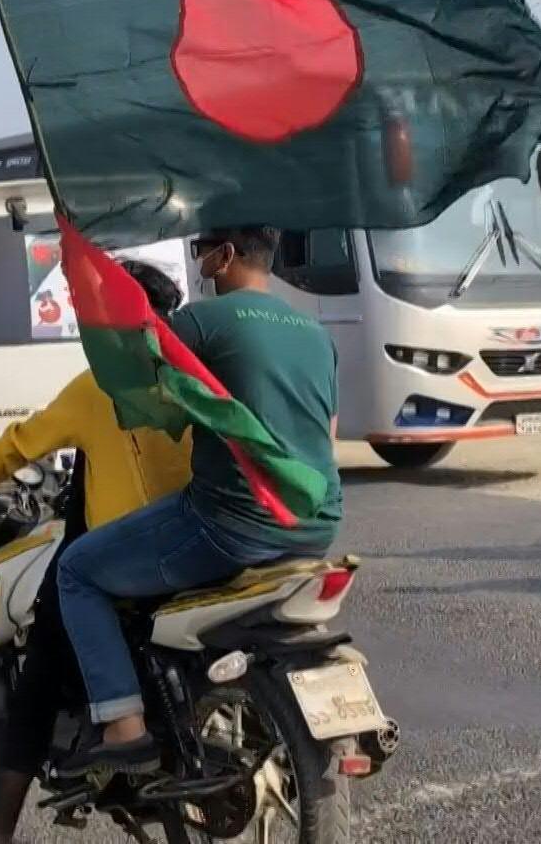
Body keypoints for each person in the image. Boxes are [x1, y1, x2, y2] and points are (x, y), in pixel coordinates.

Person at [55, 226, 342, 773]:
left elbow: (136, 381)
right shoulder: (316, 333)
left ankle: (124, 725)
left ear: (224, 255)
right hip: (316, 526)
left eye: (200, 250)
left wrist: (97, 289)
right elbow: (325, 439)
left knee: (77, 571)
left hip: (230, 524)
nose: (199, 261)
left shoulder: (202, 322)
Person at [0, 261, 191, 844]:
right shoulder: (194, 378)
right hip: (200, 548)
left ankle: (0, 834)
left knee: (38, 677)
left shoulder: (98, 387)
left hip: (125, 561)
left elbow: (19, 445)